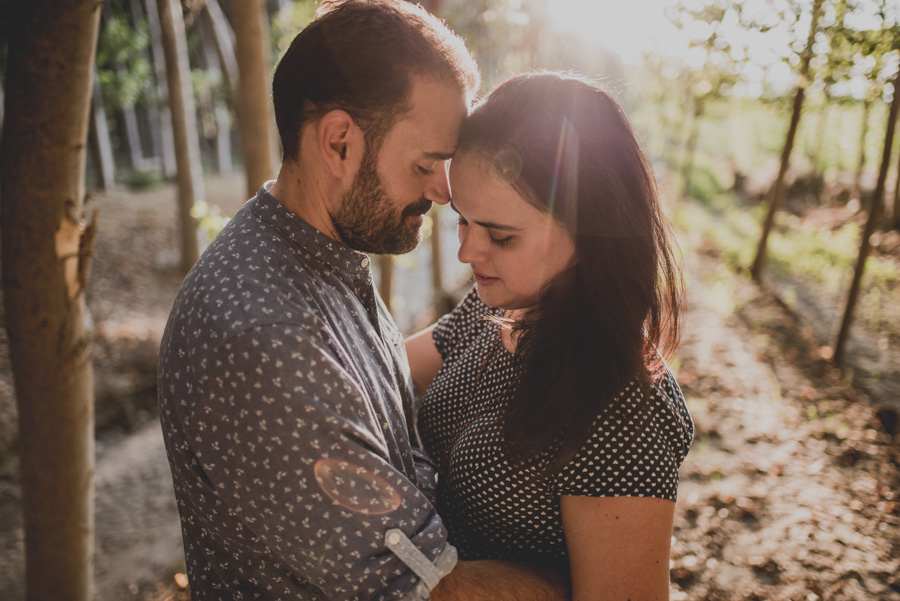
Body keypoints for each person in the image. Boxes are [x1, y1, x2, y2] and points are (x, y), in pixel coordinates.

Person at [158, 1, 567, 599]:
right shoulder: (266, 336)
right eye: (427, 163)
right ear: (339, 142)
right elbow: (428, 589)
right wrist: (592, 580)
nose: (442, 190)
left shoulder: (319, 259)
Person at [406, 72, 695, 601]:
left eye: (501, 236)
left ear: (590, 231)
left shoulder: (621, 409)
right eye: (462, 221)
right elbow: (394, 371)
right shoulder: (500, 306)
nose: (467, 253)